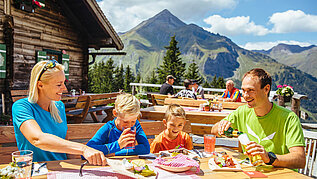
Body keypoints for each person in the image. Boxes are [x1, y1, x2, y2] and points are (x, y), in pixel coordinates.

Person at [12, 60, 106, 165]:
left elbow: (65, 142)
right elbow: (37, 139)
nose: (64, 88)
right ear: (40, 85)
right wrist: (83, 149)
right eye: (58, 84)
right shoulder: (22, 107)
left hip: (62, 167)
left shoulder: (59, 106)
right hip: (36, 171)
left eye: (64, 83)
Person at [211, 68, 305, 169]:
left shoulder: (289, 118)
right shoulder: (242, 111)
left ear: (266, 89)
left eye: (251, 90)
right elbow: (213, 130)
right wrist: (221, 126)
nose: (246, 96)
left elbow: (300, 160)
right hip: (252, 172)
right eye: (243, 90)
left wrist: (269, 158)